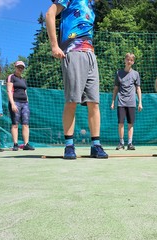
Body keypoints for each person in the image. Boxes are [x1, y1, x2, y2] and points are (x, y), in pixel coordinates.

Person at [46, 0, 108, 159]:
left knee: (94, 102)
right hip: (73, 52)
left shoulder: (91, 5)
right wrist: (54, 45)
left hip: (90, 54)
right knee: (72, 100)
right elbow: (50, 14)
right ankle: (69, 145)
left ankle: (96, 145)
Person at [111, 53, 142, 150]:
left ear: (133, 62)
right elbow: (116, 88)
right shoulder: (119, 73)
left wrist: (140, 102)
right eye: (128, 59)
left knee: (130, 123)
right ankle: (121, 143)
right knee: (120, 123)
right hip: (121, 102)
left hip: (131, 103)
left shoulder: (136, 74)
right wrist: (113, 101)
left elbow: (138, 88)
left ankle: (130, 143)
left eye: (131, 60)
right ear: (125, 60)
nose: (129, 62)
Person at [7, 61, 35, 151]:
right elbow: (9, 91)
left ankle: (26, 144)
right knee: (15, 124)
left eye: (22, 67)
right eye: (19, 67)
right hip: (16, 102)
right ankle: (15, 144)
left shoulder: (23, 79)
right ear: (15, 67)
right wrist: (12, 104)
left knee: (25, 124)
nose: (20, 69)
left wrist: (27, 101)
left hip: (25, 103)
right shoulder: (11, 77)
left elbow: (25, 91)